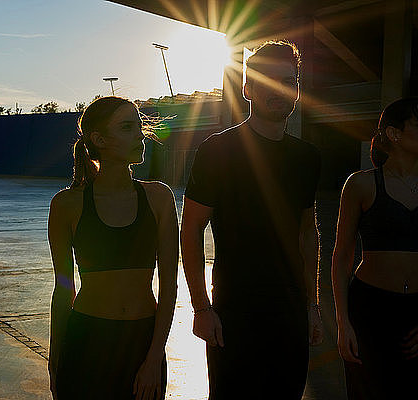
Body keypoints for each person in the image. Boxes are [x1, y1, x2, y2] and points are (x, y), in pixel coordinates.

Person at [181, 40, 323, 399]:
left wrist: (312, 305)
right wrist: (201, 307)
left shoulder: (307, 158)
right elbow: (191, 229)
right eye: (268, 81)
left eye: (289, 81)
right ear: (247, 88)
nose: (280, 90)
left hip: (290, 310)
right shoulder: (217, 150)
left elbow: (308, 233)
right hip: (234, 309)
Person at [47, 96, 178, 400]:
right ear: (100, 139)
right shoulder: (67, 205)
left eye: (140, 126)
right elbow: (63, 289)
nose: (140, 135)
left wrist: (154, 358)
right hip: (86, 341)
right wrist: (56, 360)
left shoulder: (159, 198)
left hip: (143, 342)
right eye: (127, 128)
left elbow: (169, 286)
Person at [332, 97, 418, 399]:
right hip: (369, 311)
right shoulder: (361, 185)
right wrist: (343, 324)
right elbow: (341, 258)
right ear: (394, 134)